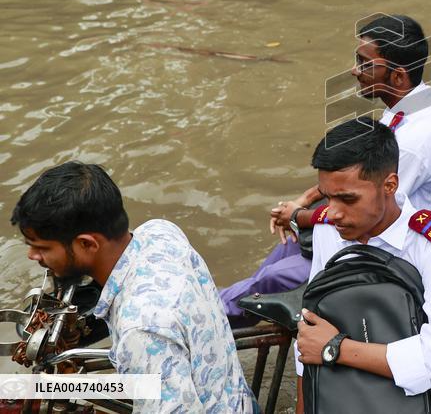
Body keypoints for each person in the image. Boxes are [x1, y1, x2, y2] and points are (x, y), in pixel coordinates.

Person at [220, 13, 431, 325]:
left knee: (272, 280)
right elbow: (356, 169)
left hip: (384, 246)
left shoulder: (416, 139)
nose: (354, 71)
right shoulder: (415, 104)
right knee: (285, 249)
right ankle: (221, 306)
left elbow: (374, 206)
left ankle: (208, 317)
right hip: (364, 222)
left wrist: (295, 215)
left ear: (398, 76)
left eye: (365, 63)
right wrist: (302, 204)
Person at [11, 162, 255, 413]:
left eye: (42, 248)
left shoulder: (140, 329)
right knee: (14, 387)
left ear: (87, 244)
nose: (32, 256)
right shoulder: (160, 232)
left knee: (13, 390)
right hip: (234, 397)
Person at [295, 117, 431, 409]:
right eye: (327, 198)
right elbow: (311, 332)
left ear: (389, 185)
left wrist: (338, 349)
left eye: (347, 199)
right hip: (341, 395)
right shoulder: (327, 230)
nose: (333, 212)